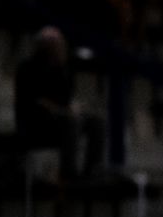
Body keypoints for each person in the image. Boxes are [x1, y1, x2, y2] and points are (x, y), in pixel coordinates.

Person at [13, 27, 103, 183]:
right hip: (36, 120)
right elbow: (33, 100)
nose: (62, 49)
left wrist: (72, 109)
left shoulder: (61, 70)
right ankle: (69, 173)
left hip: (58, 116)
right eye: (58, 45)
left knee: (96, 121)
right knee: (71, 122)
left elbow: (66, 99)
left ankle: (92, 171)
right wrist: (62, 111)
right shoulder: (27, 68)